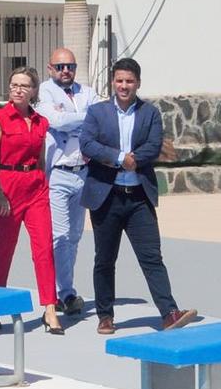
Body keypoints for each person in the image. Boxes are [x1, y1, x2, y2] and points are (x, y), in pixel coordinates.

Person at [80, 57, 198, 334]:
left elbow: (154, 145)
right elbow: (87, 143)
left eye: (129, 81)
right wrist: (120, 158)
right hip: (106, 198)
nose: (124, 86)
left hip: (138, 198)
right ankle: (105, 315)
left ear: (138, 83)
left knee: (151, 257)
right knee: (105, 259)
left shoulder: (150, 113)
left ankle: (169, 312)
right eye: (120, 80)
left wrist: (134, 160)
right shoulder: (97, 112)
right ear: (113, 82)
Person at [0, 68, 63, 334]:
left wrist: (43, 182)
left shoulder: (41, 122)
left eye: (24, 85)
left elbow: (42, 157)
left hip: (36, 187)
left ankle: (50, 308)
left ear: (33, 91)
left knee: (44, 248)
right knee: (4, 247)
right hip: (7, 185)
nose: (18, 89)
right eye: (14, 85)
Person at [37, 46, 100, 316]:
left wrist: (71, 120)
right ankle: (62, 293)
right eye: (60, 67)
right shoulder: (44, 90)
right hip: (59, 174)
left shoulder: (87, 92)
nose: (66, 71)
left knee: (74, 236)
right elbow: (56, 120)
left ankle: (67, 290)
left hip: (83, 172)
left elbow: (102, 119)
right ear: (51, 68)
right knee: (59, 235)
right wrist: (83, 119)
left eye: (70, 67)